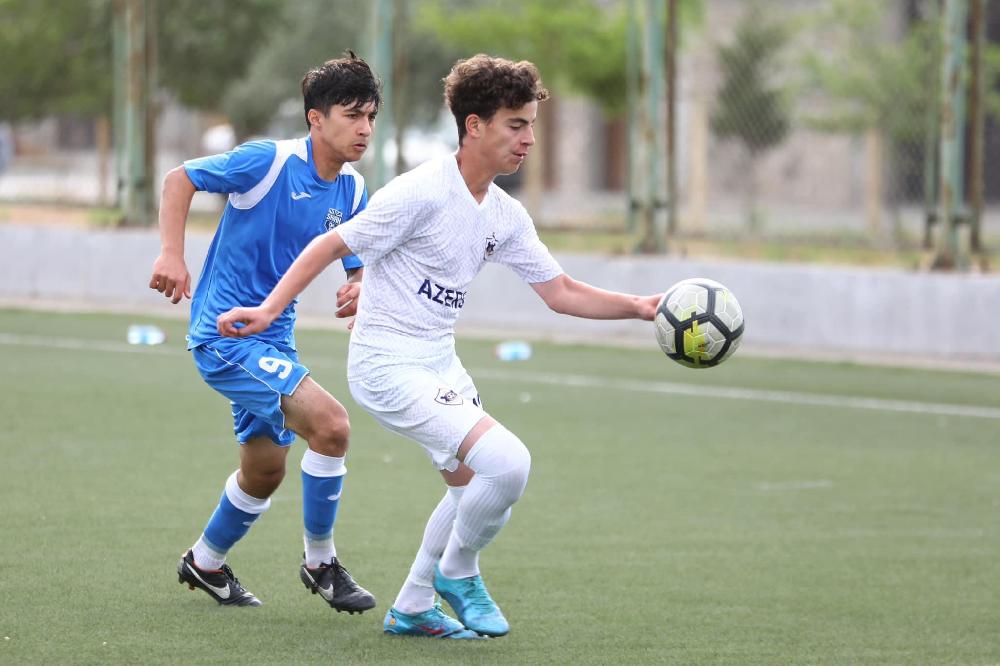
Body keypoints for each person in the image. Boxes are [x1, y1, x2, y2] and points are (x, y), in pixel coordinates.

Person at [216, 54, 662, 636]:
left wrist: (643, 308)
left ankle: (413, 606)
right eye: (516, 125)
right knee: (509, 463)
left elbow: (561, 292)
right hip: (386, 365)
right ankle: (458, 571)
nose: (528, 139)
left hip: (439, 364)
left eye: (531, 125)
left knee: (475, 489)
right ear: (474, 125)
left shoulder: (504, 213)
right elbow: (331, 244)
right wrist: (270, 310)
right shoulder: (421, 191)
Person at [148, 52, 380, 612]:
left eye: (371, 116)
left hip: (274, 339)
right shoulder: (268, 162)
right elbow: (180, 179)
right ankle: (321, 563)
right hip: (224, 337)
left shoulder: (353, 189)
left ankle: (204, 561)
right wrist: (172, 254)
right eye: (352, 115)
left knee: (265, 470)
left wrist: (360, 286)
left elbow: (358, 264)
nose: (365, 128)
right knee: (331, 426)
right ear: (315, 118)